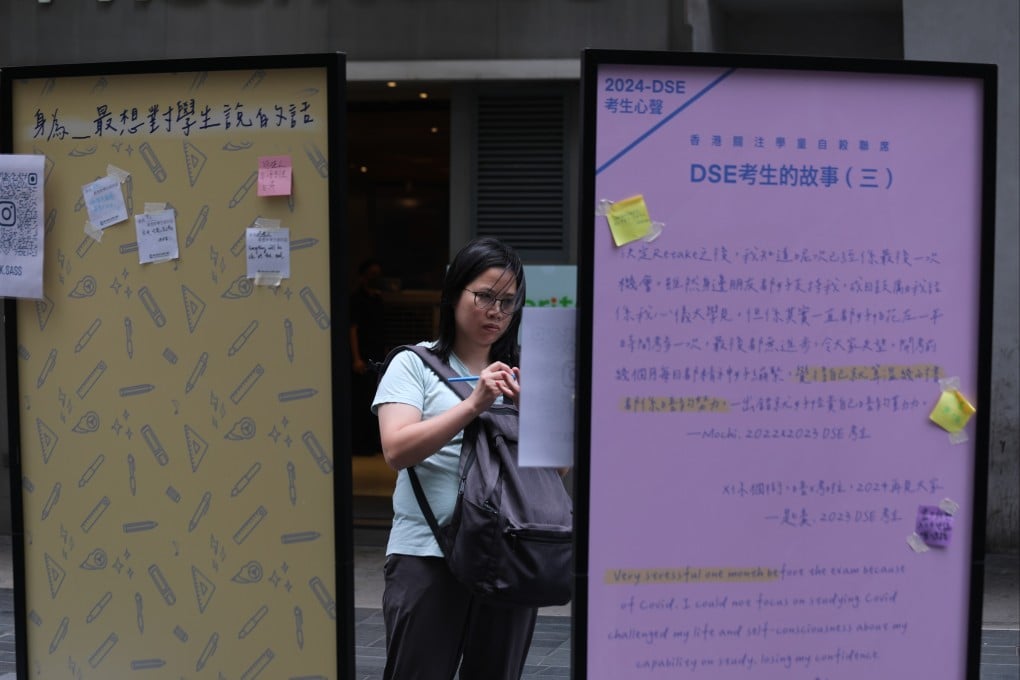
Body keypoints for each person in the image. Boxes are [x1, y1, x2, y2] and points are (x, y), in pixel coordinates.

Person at [372, 237, 531, 680]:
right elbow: (396, 450)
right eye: (484, 296)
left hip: (508, 555)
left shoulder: (526, 373)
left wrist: (536, 417)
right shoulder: (413, 364)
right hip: (427, 553)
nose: (497, 311)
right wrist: (473, 403)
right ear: (454, 292)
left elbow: (555, 473)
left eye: (508, 301)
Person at [349, 258, 386, 455]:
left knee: (377, 399)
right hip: (362, 357)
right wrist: (356, 358)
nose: (375, 279)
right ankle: (361, 445)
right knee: (362, 400)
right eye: (372, 275)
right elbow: (353, 329)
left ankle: (374, 442)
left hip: (377, 354)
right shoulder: (356, 299)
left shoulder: (378, 299)